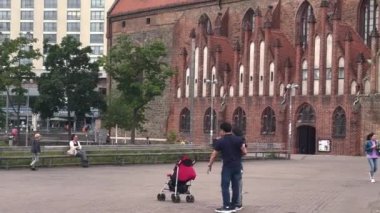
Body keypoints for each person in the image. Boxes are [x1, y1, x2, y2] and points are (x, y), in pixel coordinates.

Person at [208, 122, 247, 213]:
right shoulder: (238, 140)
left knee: (225, 186)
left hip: (227, 167)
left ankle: (226, 206)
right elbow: (244, 152)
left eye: (220, 130)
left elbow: (214, 154)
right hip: (237, 166)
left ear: (222, 130)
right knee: (235, 186)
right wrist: (237, 155)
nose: (219, 132)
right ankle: (234, 205)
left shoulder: (220, 141)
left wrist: (210, 164)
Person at [232, 127, 247, 210]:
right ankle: (236, 202)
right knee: (235, 184)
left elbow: (244, 152)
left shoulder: (241, 141)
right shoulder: (237, 140)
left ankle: (238, 203)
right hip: (234, 164)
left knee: (238, 184)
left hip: (237, 164)